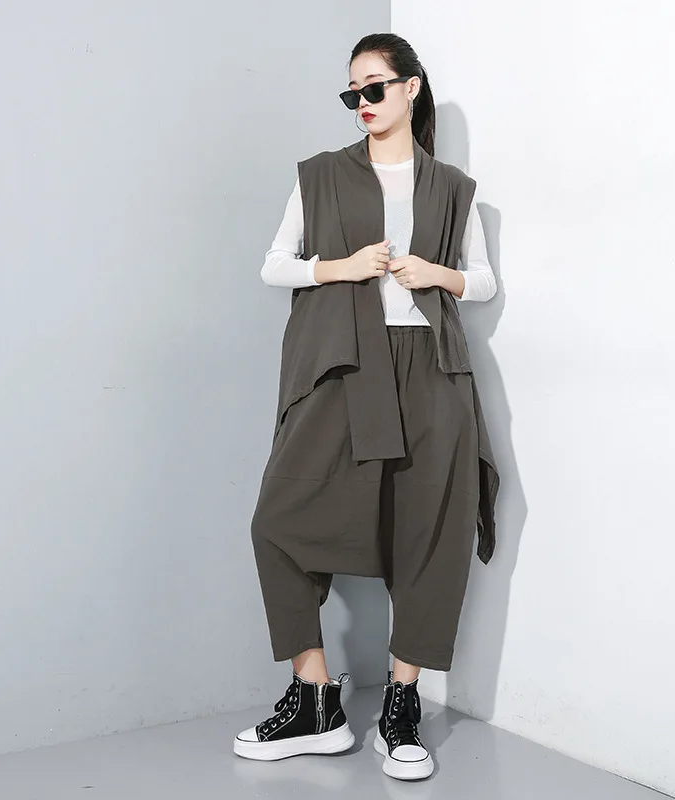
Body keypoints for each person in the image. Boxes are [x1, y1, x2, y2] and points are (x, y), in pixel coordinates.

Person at [233, 33, 499, 782]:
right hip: (346, 365)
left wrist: (436, 273)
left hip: (431, 370)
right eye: (352, 92)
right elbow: (274, 265)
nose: (362, 103)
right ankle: (315, 698)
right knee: (278, 520)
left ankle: (401, 706)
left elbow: (482, 281)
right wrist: (340, 267)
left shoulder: (452, 187)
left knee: (429, 530)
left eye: (374, 87)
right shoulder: (321, 175)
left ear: (411, 88)